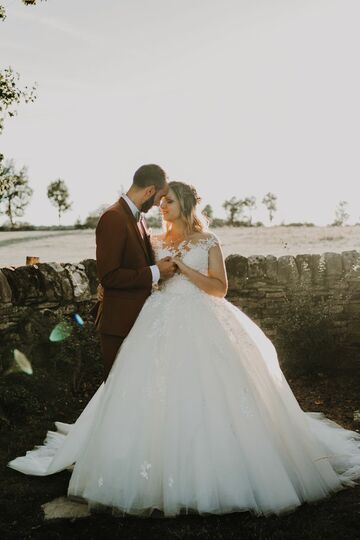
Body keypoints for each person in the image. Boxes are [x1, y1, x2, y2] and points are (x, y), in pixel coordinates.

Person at [7, 181, 360, 518]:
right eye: (161, 201)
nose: (162, 205)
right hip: (156, 321)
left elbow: (220, 289)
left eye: (169, 200)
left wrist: (185, 270)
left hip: (203, 317)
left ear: (186, 205)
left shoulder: (207, 240)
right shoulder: (154, 242)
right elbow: (139, 276)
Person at [92, 163, 176, 380]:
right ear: (149, 191)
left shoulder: (139, 218)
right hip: (119, 323)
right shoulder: (114, 217)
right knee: (117, 389)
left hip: (140, 319)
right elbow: (109, 276)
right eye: (159, 198)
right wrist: (156, 272)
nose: (159, 204)